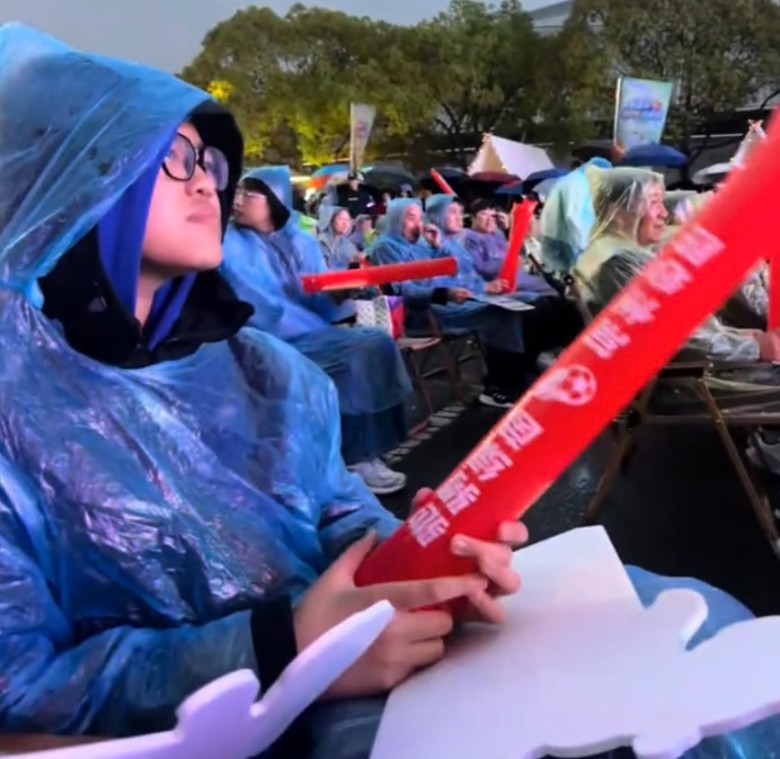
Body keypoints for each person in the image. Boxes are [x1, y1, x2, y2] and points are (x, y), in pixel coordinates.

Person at [2, 25, 779, 759]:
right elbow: (23, 685)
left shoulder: (263, 369)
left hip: (377, 647)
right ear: (63, 179)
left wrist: (427, 560)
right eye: (172, 157)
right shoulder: (14, 410)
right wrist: (286, 648)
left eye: (209, 157)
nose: (208, 180)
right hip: (260, 723)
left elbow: (338, 513)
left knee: (689, 624)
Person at [224, 167, 411, 495]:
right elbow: (254, 305)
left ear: (274, 199)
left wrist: (336, 294)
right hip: (264, 339)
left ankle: (371, 448)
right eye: (237, 193)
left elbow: (318, 303)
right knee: (358, 355)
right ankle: (355, 457)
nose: (237, 201)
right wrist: (307, 310)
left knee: (378, 343)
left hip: (309, 332)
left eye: (248, 195)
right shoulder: (229, 243)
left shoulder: (301, 242)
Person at [371, 198, 554, 407]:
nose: (418, 224)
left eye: (420, 218)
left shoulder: (423, 243)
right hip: (428, 310)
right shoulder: (386, 247)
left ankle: (516, 373)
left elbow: (463, 266)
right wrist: (444, 293)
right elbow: (403, 291)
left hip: (457, 299)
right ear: (396, 219)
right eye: (411, 218)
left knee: (528, 302)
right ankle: (500, 385)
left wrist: (441, 245)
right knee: (501, 314)